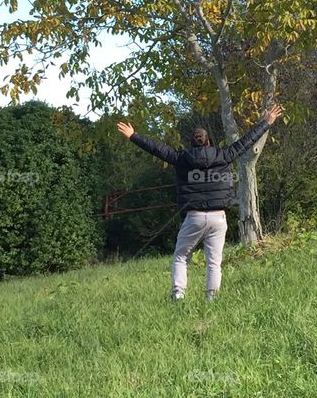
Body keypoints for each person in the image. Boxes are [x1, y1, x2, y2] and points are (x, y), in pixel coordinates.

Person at [116, 104, 284, 301]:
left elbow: (157, 149)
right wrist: (266, 122)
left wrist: (134, 135)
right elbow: (247, 141)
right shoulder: (224, 155)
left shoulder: (181, 158)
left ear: (192, 144)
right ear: (208, 142)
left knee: (181, 257)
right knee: (214, 262)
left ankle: (178, 296)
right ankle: (211, 300)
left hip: (193, 217)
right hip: (218, 217)